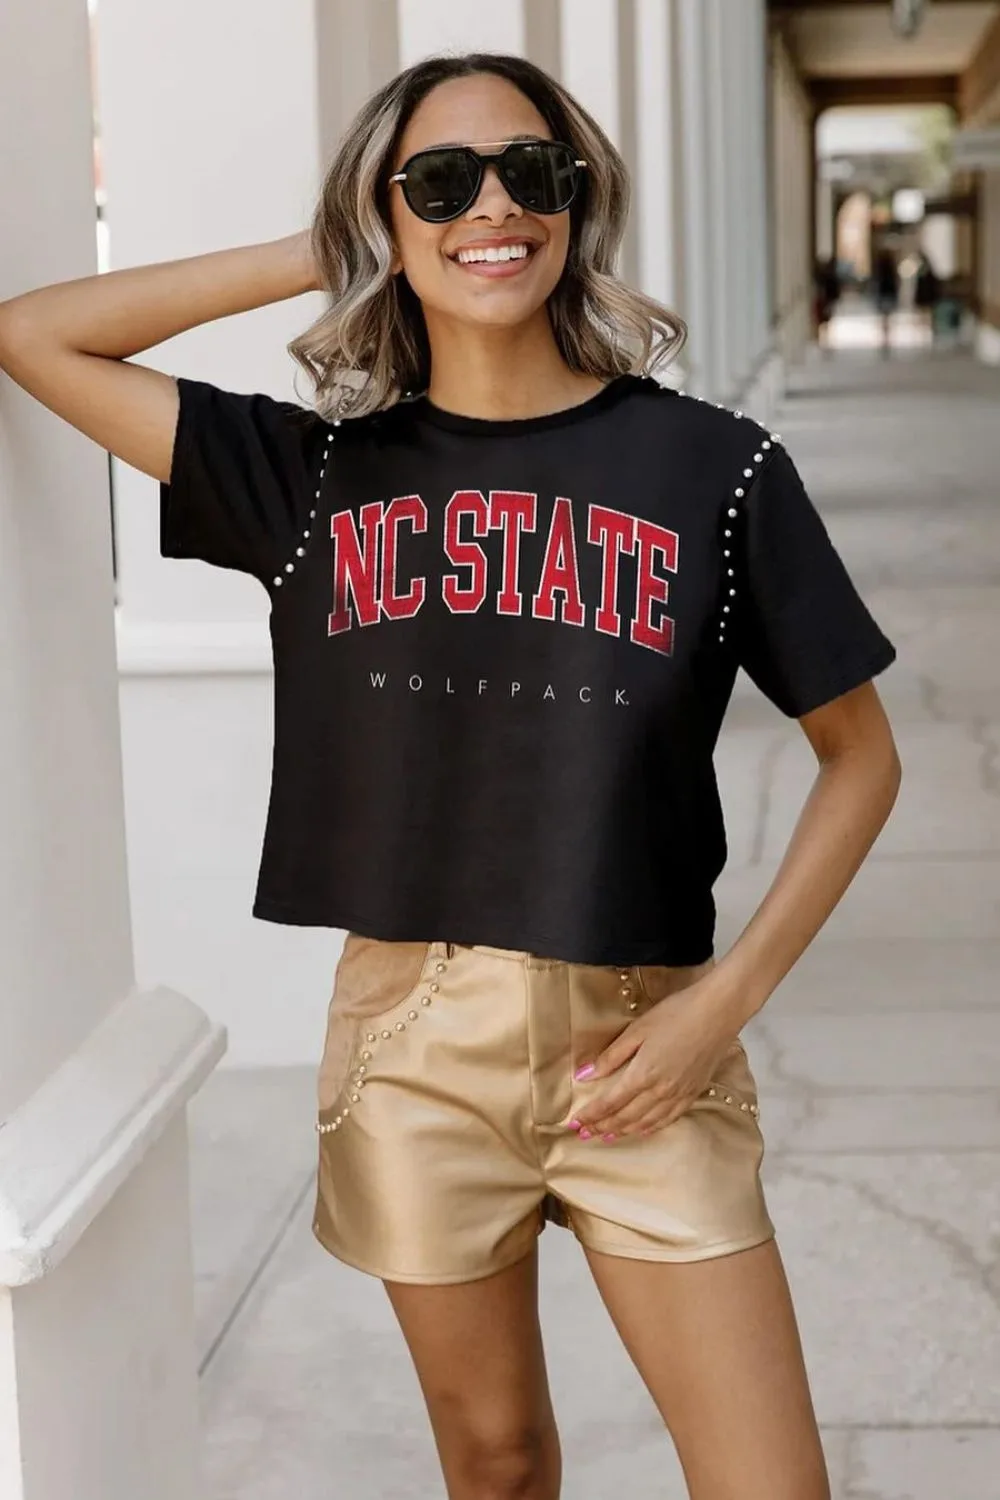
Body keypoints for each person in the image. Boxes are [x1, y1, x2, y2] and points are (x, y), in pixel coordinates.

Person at [0, 51, 900, 1500]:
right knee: (494, 1463)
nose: (495, 209)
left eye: (530, 173)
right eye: (441, 181)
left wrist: (721, 1007)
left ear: (578, 199)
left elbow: (861, 760)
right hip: (415, 1044)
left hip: (646, 1031)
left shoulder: (711, 469)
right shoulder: (310, 481)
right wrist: (329, 240)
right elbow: (37, 336)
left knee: (769, 1486)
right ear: (389, 212)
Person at [872, 246, 900, 356]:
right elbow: (895, 284)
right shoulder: (890, 269)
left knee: (884, 318)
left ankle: (885, 338)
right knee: (887, 318)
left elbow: (876, 283)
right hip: (888, 295)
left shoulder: (879, 269)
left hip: (883, 295)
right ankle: (886, 338)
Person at [813, 254, 840, 353]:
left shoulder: (827, 276)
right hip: (827, 301)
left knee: (825, 322)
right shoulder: (829, 276)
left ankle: (825, 340)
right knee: (825, 322)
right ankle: (824, 340)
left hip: (827, 300)